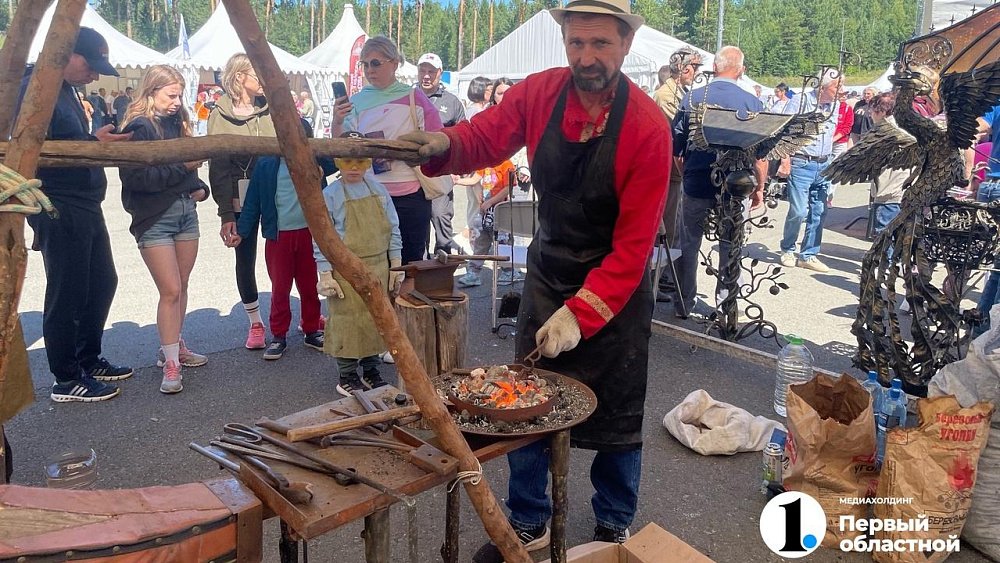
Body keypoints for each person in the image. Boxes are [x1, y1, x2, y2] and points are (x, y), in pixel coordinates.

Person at [401, 0, 671, 555]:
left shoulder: (647, 126)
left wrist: (585, 310)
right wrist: (442, 145)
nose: (587, 57)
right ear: (565, 42)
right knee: (521, 401)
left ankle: (613, 525)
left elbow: (634, 246)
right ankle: (529, 520)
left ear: (624, 46)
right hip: (550, 271)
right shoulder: (540, 93)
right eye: (577, 43)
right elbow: (483, 139)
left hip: (613, 290)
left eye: (600, 44)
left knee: (618, 417)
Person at [20, 27, 134, 402]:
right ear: (67, 53)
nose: (95, 75)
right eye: (91, 64)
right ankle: (66, 377)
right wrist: (92, 144)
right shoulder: (34, 89)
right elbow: (32, 149)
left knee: (101, 282)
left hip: (84, 201)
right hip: (57, 203)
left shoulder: (65, 89)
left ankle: (88, 357)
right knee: (66, 290)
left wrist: (93, 144)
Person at [118, 65, 209, 394]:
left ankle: (174, 346)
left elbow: (186, 174)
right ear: (151, 92)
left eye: (179, 94)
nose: (176, 101)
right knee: (170, 290)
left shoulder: (179, 121)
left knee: (181, 286)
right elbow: (138, 181)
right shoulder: (139, 127)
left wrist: (198, 186)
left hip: (186, 211)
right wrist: (183, 170)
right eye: (171, 95)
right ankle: (170, 361)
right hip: (154, 218)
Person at [669, 46, 766, 319]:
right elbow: (761, 154)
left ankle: (683, 303)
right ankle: (726, 308)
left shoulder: (693, 98)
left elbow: (677, 147)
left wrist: (687, 170)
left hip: (696, 181)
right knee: (730, 243)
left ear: (715, 67)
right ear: (740, 70)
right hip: (735, 187)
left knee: (688, 241)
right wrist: (759, 188)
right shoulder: (752, 103)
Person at [331, 37, 444, 264]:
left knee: (411, 260)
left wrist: (416, 150)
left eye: (375, 63)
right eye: (365, 64)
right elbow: (341, 144)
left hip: (412, 194)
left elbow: (438, 135)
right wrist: (337, 120)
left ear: (394, 63)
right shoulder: (356, 101)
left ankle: (404, 300)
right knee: (375, 259)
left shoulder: (415, 96)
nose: (369, 70)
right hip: (371, 193)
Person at [232, 120, 329, 361]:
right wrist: (242, 233)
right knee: (280, 288)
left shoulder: (314, 163)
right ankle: (279, 335)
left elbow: (334, 161)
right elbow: (252, 202)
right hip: (278, 236)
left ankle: (311, 329)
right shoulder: (266, 165)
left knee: (309, 286)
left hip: (308, 233)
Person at [315, 132, 403, 395]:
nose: (354, 168)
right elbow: (322, 237)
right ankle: (347, 375)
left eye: (361, 162)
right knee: (348, 320)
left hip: (379, 265)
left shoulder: (378, 190)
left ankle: (371, 370)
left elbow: (393, 227)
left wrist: (395, 263)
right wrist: (325, 273)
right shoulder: (329, 194)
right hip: (346, 269)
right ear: (337, 162)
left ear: (369, 163)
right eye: (346, 161)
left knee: (376, 320)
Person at [207, 53, 276, 349]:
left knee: (283, 255)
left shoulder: (271, 109)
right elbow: (218, 167)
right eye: (255, 72)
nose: (262, 77)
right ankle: (255, 323)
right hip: (239, 196)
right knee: (244, 258)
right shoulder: (218, 116)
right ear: (239, 78)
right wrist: (225, 213)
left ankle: (299, 315)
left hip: (274, 194)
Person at [777, 68, 842, 273]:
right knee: (798, 210)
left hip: (824, 163)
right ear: (822, 87)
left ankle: (808, 254)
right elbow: (782, 130)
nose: (841, 90)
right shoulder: (801, 101)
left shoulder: (836, 105)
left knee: (819, 211)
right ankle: (787, 249)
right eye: (836, 86)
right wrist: (785, 159)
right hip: (802, 163)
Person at [651, 48, 702, 302]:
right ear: (682, 69)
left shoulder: (680, 93)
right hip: (665, 171)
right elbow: (683, 128)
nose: (697, 73)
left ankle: (659, 280)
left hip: (675, 172)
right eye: (694, 68)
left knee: (671, 230)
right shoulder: (666, 95)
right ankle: (652, 283)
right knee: (663, 229)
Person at [417, 52, 467, 257]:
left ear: (440, 73)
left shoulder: (452, 101)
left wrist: (459, 170)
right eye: (422, 70)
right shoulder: (407, 98)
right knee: (417, 222)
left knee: (440, 217)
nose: (426, 76)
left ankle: (443, 266)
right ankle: (419, 269)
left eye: (431, 71)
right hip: (412, 172)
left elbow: (463, 136)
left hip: (442, 171)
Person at [455, 158, 516, 288]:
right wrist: (457, 180)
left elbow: (508, 188)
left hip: (501, 210)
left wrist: (491, 201)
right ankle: (474, 273)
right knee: (480, 241)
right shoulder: (485, 163)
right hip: (485, 211)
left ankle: (509, 271)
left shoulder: (506, 164)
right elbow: (474, 179)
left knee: (503, 242)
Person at [973, 103, 1000, 335]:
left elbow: (978, 125)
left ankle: (981, 333)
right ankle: (993, 337)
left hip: (989, 184)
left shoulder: (997, 103)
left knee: (996, 266)